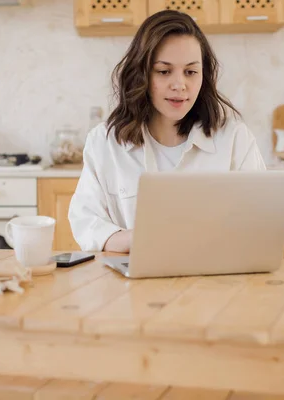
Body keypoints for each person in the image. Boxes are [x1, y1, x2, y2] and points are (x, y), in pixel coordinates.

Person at [68, 10, 267, 253]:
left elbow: (259, 225)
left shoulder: (236, 139)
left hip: (215, 284)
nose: (180, 85)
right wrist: (141, 239)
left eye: (191, 72)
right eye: (164, 71)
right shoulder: (104, 141)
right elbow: (86, 223)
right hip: (129, 285)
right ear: (141, 73)